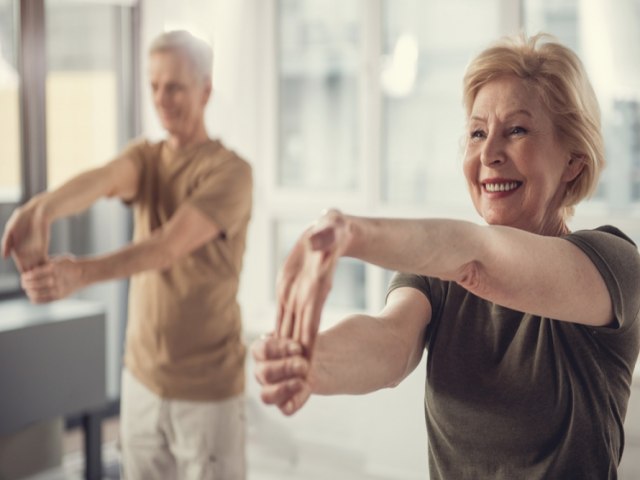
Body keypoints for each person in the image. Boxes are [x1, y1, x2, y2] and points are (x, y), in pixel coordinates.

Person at [251, 33, 640, 479]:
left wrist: (350, 233)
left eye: (516, 130)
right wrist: (311, 362)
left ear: (573, 159)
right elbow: (390, 344)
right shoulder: (441, 271)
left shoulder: (612, 264)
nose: (489, 154)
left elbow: (479, 259)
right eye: (477, 133)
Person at [1, 30, 252, 479]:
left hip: (207, 392)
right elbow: (101, 180)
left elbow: (166, 247)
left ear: (205, 89)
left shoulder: (230, 173)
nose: (162, 98)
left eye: (174, 86)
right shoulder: (147, 157)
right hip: (141, 382)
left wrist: (79, 274)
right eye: (154, 86)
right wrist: (41, 210)